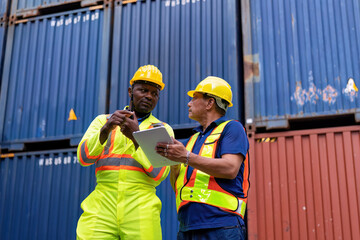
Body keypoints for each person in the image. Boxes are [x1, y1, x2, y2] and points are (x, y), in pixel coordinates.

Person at [76, 65, 174, 240]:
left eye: (154, 93)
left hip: (140, 209)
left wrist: (137, 137)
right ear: (131, 91)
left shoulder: (161, 129)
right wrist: (106, 130)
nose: (149, 96)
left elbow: (159, 174)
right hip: (101, 207)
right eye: (143, 90)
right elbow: (83, 158)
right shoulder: (102, 121)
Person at [156, 76, 250, 240]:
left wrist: (185, 156)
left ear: (209, 103)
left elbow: (230, 168)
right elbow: (178, 187)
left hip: (222, 227)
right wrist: (174, 164)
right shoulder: (191, 141)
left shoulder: (232, 128)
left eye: (194, 98)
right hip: (187, 228)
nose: (189, 103)